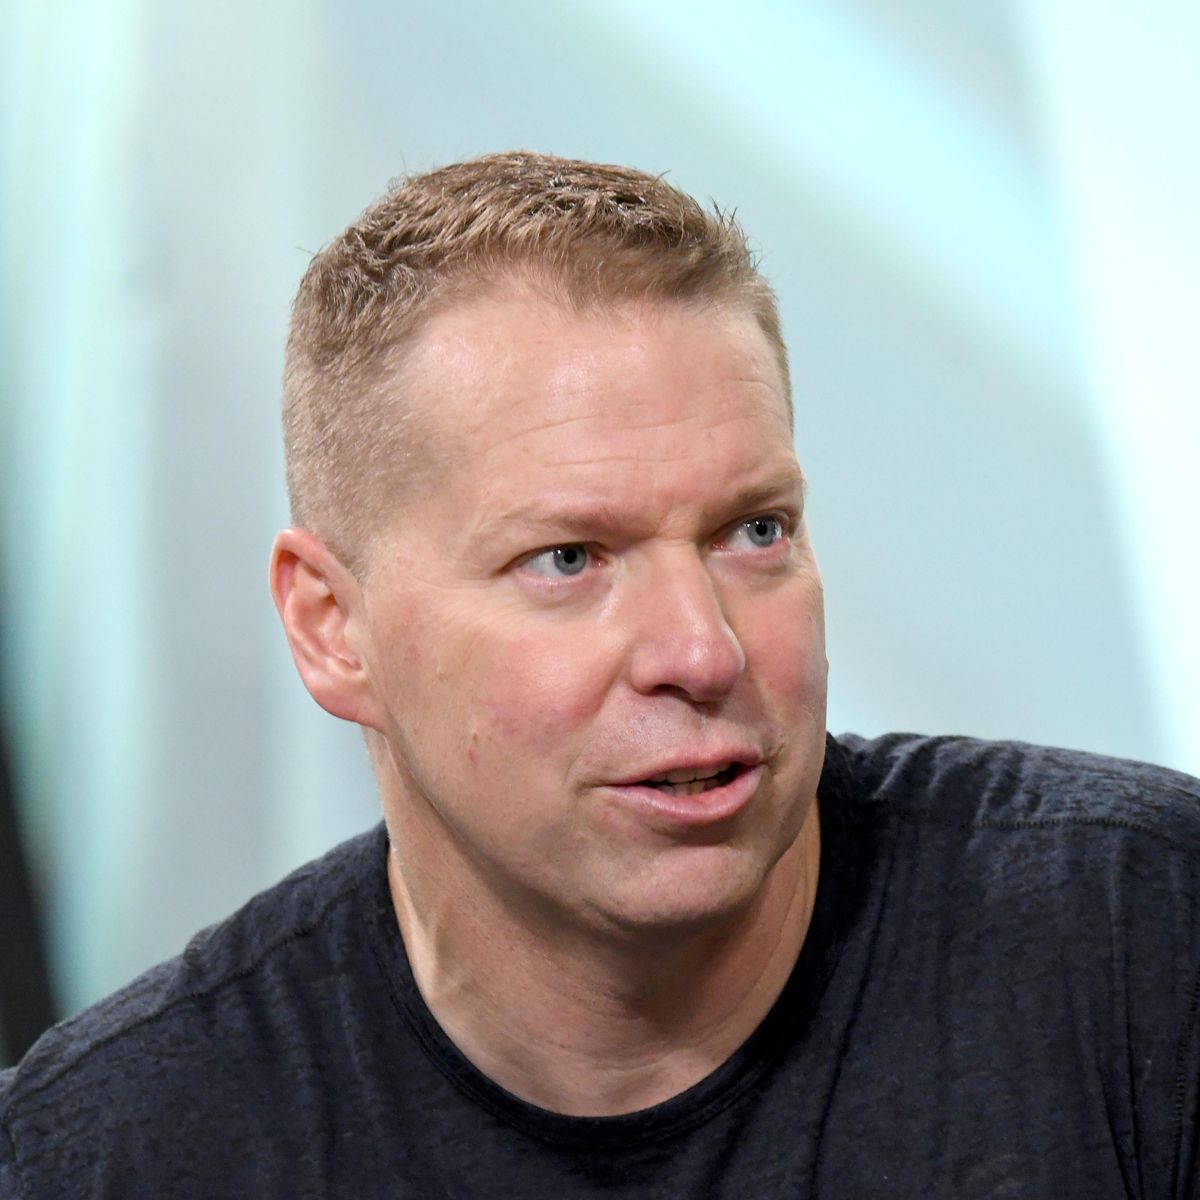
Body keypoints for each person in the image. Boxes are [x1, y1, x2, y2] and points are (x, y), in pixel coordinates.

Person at [1, 152, 1197, 1198]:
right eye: (568, 559)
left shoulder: (1144, 942)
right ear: (331, 627)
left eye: (755, 532)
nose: (703, 651)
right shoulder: (109, 1156)